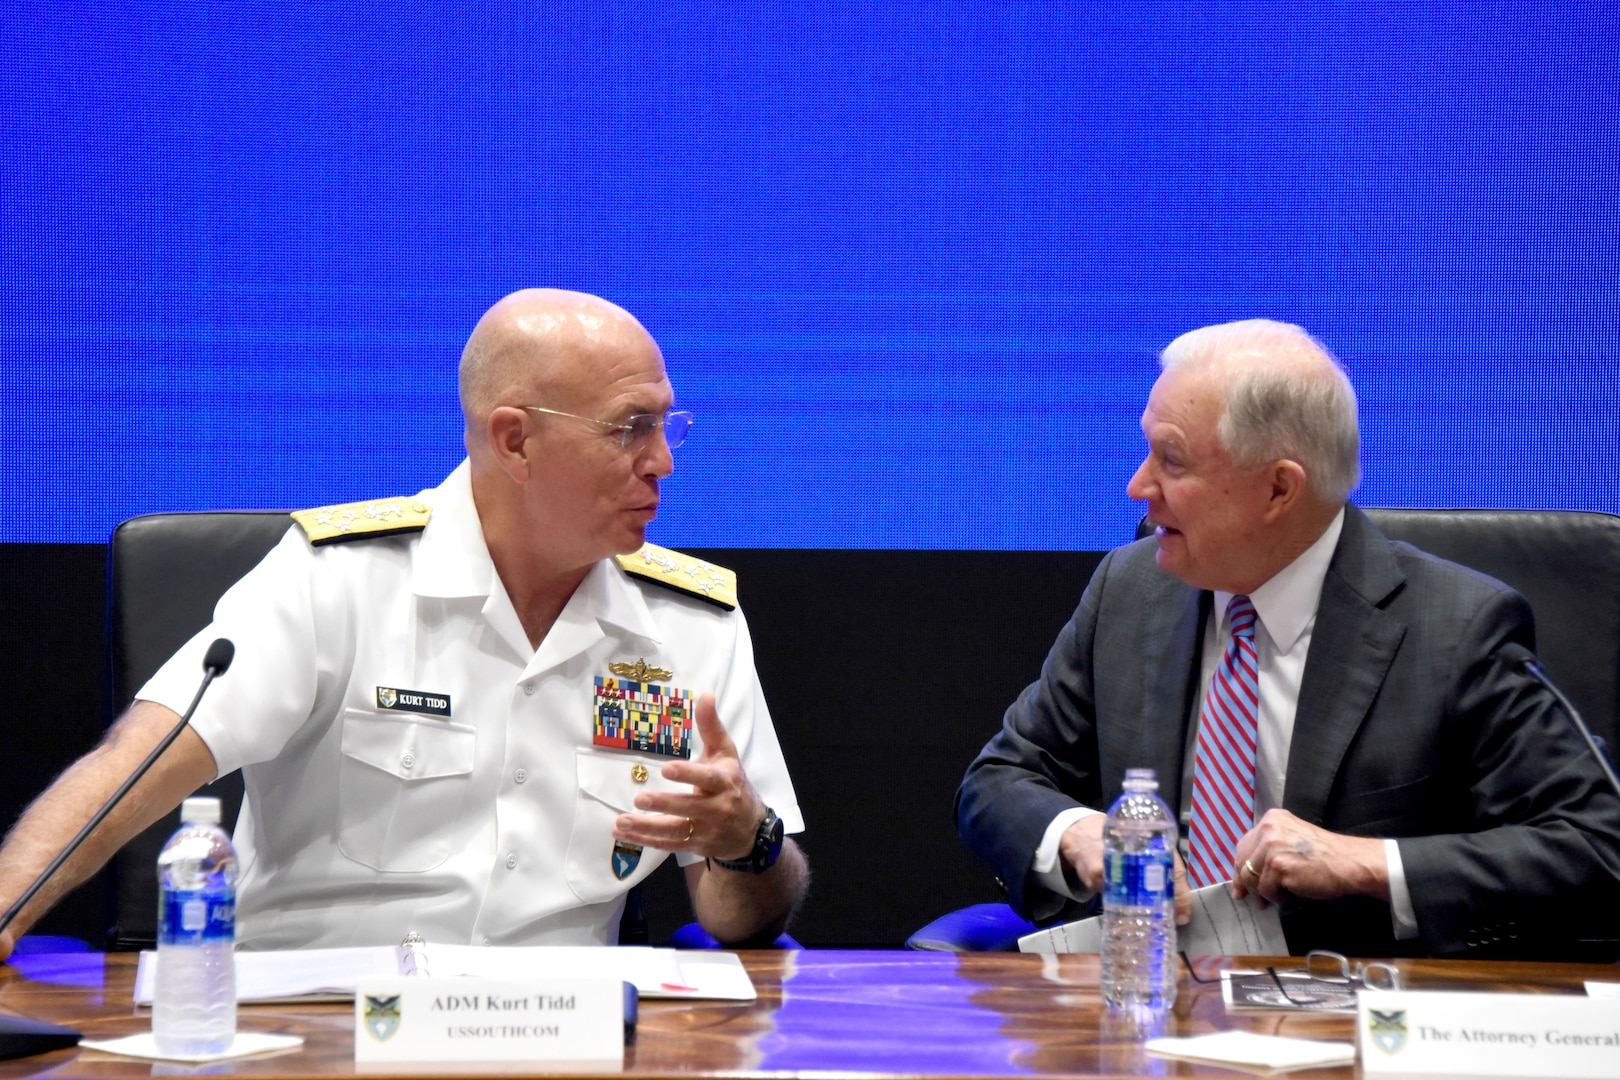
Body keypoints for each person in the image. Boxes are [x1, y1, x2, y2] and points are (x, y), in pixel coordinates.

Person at [0, 288, 808, 957]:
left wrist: (748, 839)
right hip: (316, 1032)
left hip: (562, 1038)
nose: (664, 459)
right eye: (631, 428)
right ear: (515, 441)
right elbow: (130, 770)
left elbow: (736, 917)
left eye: (670, 425)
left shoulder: (690, 623)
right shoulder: (337, 578)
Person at [956, 318, 1620, 958]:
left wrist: (1368, 863)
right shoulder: (1131, 592)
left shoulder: (1454, 629)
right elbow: (1001, 778)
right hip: (1151, 1003)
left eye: (1171, 460)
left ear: (1278, 488)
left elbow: (1597, 844)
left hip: (1355, 1022)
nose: (1138, 487)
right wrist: (1081, 834)